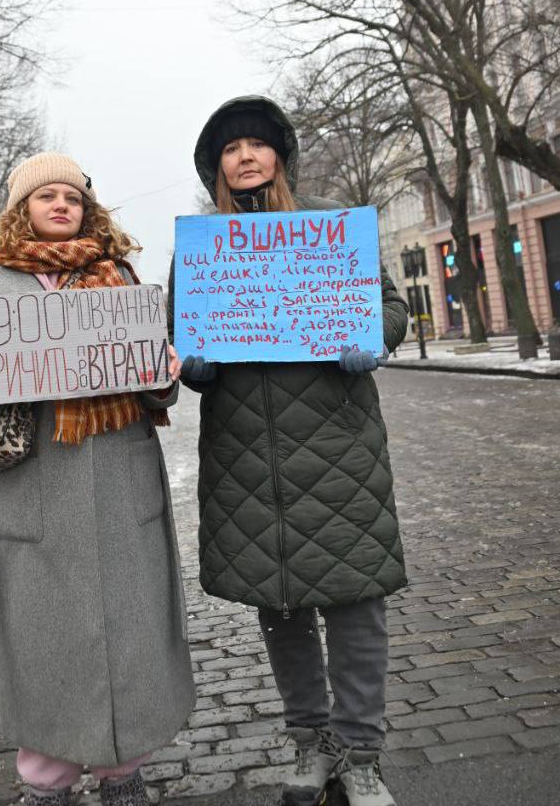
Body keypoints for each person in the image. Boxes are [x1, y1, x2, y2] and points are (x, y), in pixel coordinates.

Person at [0, 153, 195, 806]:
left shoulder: (123, 279)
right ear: (22, 209)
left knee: (130, 634)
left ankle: (124, 772)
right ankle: (47, 785)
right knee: (45, 650)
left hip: (118, 487)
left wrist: (163, 374)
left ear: (87, 208)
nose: (60, 204)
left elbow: (153, 383)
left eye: (71, 196)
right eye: (45, 195)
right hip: (33, 496)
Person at [170, 98, 408, 806]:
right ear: (216, 170)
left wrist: (377, 338)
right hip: (249, 461)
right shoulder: (203, 247)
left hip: (338, 447)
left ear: (280, 156)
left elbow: (390, 305)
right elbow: (180, 336)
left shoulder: (331, 223)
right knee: (283, 608)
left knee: (357, 604)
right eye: (229, 150)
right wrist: (193, 363)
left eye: (256, 145)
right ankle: (312, 743)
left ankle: (360, 751)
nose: (244, 157)